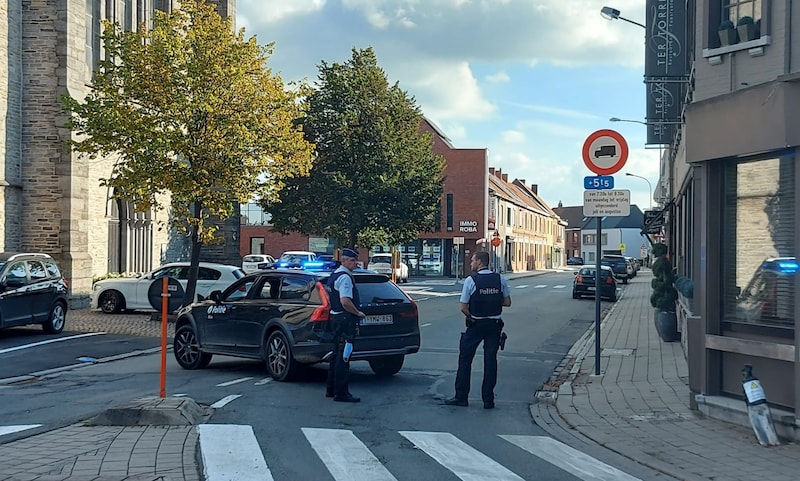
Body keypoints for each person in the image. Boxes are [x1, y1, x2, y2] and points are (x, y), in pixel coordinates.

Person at [445, 251, 511, 409]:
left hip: (476, 324)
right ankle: (488, 400)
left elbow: (463, 307)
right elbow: (507, 302)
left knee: (465, 360)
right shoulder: (500, 279)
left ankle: (461, 397)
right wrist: (492, 302)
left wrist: (473, 314)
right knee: (490, 361)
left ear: (480, 262)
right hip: (494, 324)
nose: (471, 263)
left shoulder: (471, 280)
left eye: (473, 260)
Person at [325, 247, 366, 403]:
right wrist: (357, 313)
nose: (355, 263)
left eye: (355, 260)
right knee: (345, 356)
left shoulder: (334, 275)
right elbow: (345, 301)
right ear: (344, 261)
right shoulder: (345, 278)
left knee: (336, 355)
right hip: (345, 320)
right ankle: (341, 393)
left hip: (335, 319)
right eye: (352, 260)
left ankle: (331, 389)